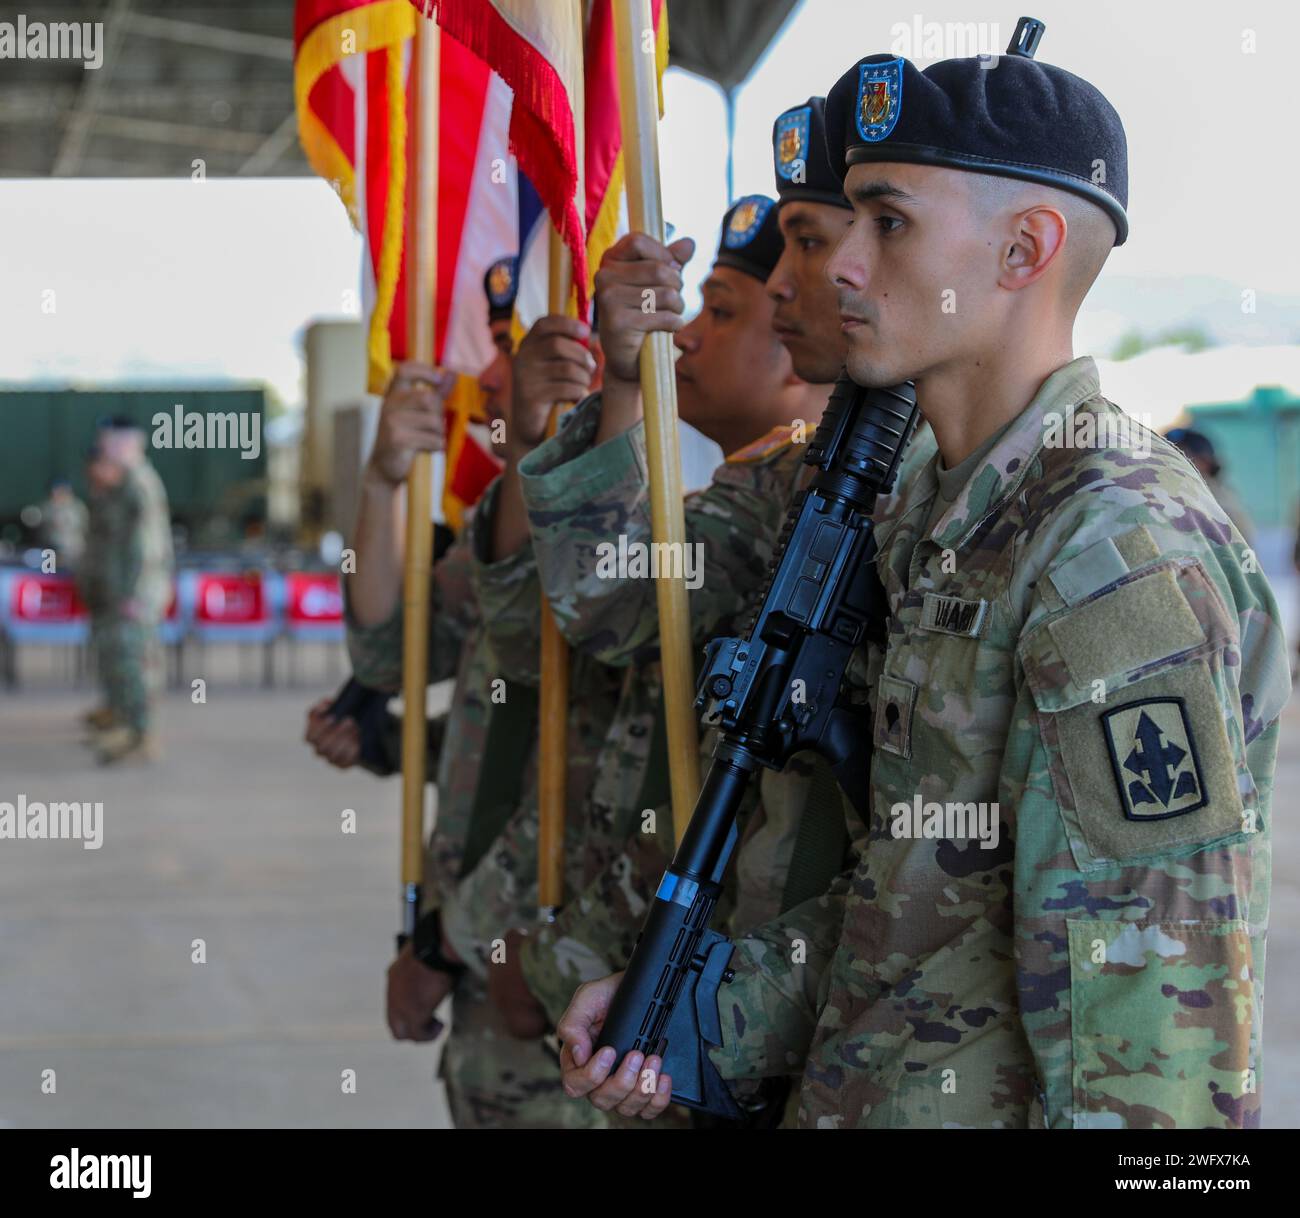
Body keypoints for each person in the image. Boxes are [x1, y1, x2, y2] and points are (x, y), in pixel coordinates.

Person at [558, 28, 1289, 1129]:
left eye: (886, 222)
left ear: (1024, 250)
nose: (839, 263)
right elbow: (916, 894)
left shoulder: (1107, 548)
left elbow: (1152, 1040)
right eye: (844, 219)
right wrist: (688, 1016)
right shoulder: (944, 515)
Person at [475, 194, 858, 1126]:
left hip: (788, 1015)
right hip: (716, 1005)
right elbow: (581, 621)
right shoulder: (773, 490)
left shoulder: (870, 490)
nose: (687, 332)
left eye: (721, 310)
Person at [343, 255, 620, 1129]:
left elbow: (580, 781)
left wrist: (444, 941)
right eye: (499, 359)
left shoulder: (643, 537)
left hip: (554, 974)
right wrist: (385, 478)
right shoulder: (496, 525)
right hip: (477, 961)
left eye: (521, 356)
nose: (490, 390)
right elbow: (390, 652)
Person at [81, 418, 174, 764]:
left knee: (138, 665)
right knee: (124, 663)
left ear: (124, 444)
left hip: (136, 595)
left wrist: (133, 595)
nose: (103, 452)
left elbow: (145, 546)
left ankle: (139, 737)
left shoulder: (139, 484)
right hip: (124, 592)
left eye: (107, 444)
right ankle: (128, 728)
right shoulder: (125, 485)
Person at [1166, 427, 1256, 548]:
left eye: (1180, 456)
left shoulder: (1218, 501)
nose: (1168, 464)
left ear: (1206, 462)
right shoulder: (1176, 494)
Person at [37, 478, 88, 572]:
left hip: (73, 549)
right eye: (56, 490)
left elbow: (81, 526)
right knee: (51, 574)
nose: (58, 493)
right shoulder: (47, 507)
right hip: (51, 549)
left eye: (62, 490)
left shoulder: (76, 506)